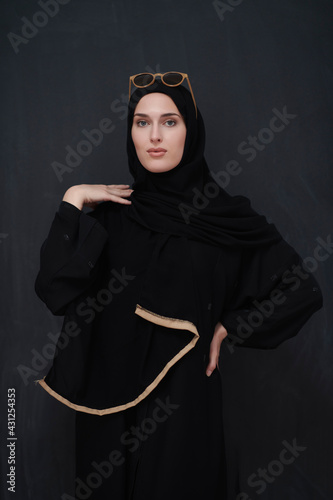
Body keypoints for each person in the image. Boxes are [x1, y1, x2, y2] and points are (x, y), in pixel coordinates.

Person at [34, 72, 323, 500]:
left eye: (170, 122)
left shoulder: (224, 220)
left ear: (191, 129)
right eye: (141, 122)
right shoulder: (114, 218)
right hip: (107, 412)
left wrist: (229, 327)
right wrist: (73, 200)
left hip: (185, 409)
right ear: (130, 132)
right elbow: (55, 289)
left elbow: (302, 290)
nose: (154, 136)